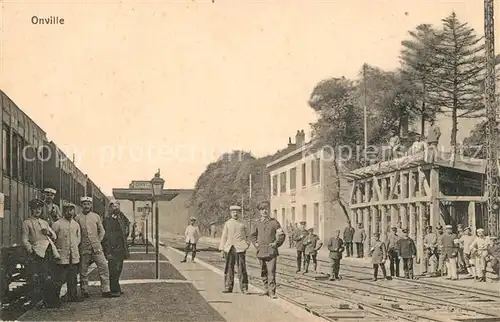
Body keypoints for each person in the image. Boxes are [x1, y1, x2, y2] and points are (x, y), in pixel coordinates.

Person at [22, 198, 61, 308]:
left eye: (39, 209)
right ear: (31, 210)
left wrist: (48, 232)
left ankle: (52, 301)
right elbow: (24, 239)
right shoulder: (27, 222)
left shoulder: (44, 222)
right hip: (37, 251)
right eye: (35, 209)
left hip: (48, 250)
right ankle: (43, 301)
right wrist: (31, 251)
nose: (37, 211)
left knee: (51, 276)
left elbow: (54, 236)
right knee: (42, 277)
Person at [75, 196, 112, 298]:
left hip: (96, 247)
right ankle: (84, 290)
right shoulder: (77, 218)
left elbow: (102, 231)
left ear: (91, 205)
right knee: (83, 270)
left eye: (88, 204)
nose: (86, 206)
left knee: (103, 266)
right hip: (84, 247)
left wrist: (98, 241)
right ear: (81, 205)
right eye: (84, 204)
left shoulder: (96, 217)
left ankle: (106, 289)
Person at [250, 200, 286, 299]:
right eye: (262, 209)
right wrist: (256, 244)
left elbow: (281, 235)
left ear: (268, 210)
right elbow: (253, 236)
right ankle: (266, 289)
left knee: (271, 272)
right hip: (261, 251)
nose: (264, 211)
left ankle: (272, 292)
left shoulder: (274, 223)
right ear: (259, 211)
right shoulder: (256, 223)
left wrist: (276, 244)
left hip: (271, 252)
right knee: (263, 271)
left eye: (266, 209)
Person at [52, 203, 83, 303]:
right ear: (64, 211)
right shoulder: (57, 224)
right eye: (67, 210)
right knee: (59, 278)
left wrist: (73, 246)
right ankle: (55, 298)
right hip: (62, 255)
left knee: (72, 277)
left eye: (71, 210)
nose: (69, 212)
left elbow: (78, 238)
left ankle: (72, 296)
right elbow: (53, 238)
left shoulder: (76, 224)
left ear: (74, 211)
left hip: (73, 255)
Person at [219, 205, 250, 294]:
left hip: (240, 248)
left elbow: (248, 236)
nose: (235, 214)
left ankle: (244, 288)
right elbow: (224, 237)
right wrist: (222, 249)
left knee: (241, 268)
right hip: (229, 248)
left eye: (237, 212)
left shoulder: (243, 223)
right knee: (229, 268)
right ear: (230, 213)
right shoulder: (227, 223)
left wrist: (247, 245)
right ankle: (228, 287)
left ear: (239, 213)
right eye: (233, 212)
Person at [102, 200, 130, 297]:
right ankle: (113, 289)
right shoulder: (107, 220)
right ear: (110, 208)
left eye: (118, 206)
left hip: (121, 248)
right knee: (113, 269)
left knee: (118, 269)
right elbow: (106, 237)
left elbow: (127, 225)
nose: (116, 208)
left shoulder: (121, 218)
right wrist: (107, 251)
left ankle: (116, 287)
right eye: (114, 206)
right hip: (112, 249)